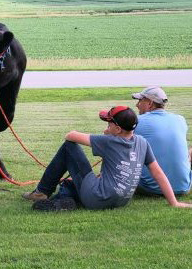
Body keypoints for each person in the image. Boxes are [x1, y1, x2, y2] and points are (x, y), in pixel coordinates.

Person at [22, 105, 192, 212]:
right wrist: (174, 203)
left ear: (118, 129)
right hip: (121, 201)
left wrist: (106, 135)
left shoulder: (109, 141)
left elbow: (71, 135)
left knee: (69, 147)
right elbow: (158, 173)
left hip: (96, 198)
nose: (106, 126)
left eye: (108, 123)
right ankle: (65, 195)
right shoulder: (142, 142)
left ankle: (42, 192)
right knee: (74, 182)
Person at [132, 86, 192, 196]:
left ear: (150, 103)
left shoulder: (138, 121)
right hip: (184, 187)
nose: (137, 105)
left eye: (140, 100)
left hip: (152, 188)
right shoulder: (180, 119)